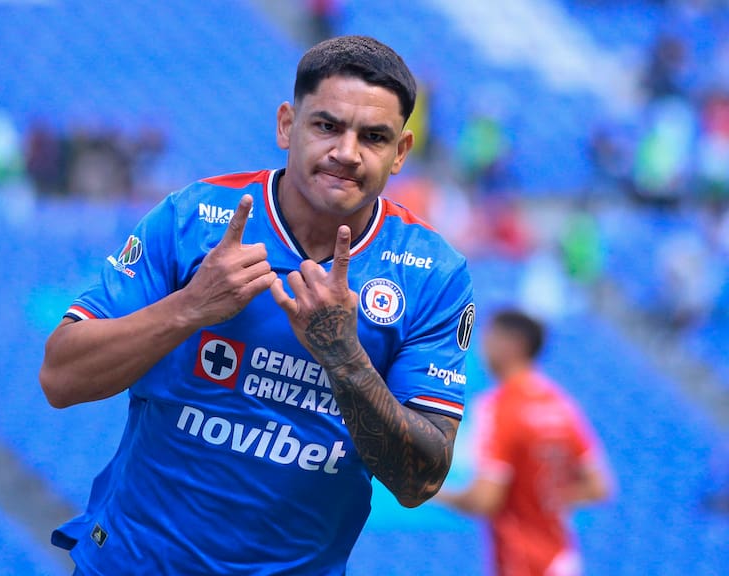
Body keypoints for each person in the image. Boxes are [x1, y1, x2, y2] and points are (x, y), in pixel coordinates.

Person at [39, 35, 476, 575]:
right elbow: (60, 377)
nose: (346, 151)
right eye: (326, 125)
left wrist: (344, 356)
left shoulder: (435, 273)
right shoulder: (192, 217)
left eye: (374, 136)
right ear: (287, 125)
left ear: (400, 153)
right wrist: (191, 306)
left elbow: (421, 482)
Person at [436, 310, 612, 576]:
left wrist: (432, 493)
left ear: (512, 345)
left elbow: (485, 500)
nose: (483, 345)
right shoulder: (560, 405)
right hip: (561, 557)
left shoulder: (500, 408)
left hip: (523, 561)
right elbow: (599, 486)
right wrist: (544, 500)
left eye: (491, 336)